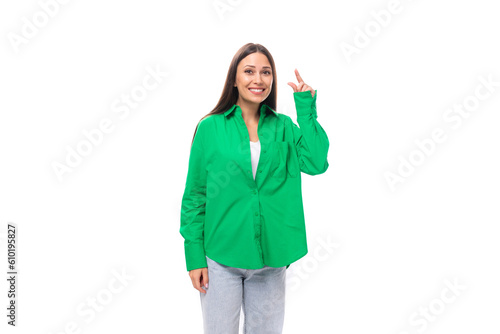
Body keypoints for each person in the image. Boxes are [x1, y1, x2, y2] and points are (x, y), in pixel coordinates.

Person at [180, 42, 329, 334]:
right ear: (234, 79)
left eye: (266, 72)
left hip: (271, 259)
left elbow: (316, 161)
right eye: (249, 71)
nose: (258, 79)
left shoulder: (284, 127)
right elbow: (195, 196)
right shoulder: (210, 128)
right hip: (221, 258)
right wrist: (194, 255)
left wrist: (306, 109)